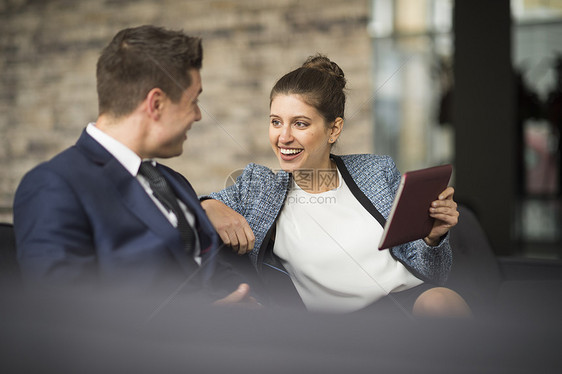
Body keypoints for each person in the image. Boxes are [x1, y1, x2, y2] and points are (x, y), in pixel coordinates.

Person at [201, 55, 469, 316]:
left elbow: (435, 273)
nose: (283, 137)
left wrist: (432, 239)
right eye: (275, 122)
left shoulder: (377, 171)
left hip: (405, 304)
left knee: (442, 302)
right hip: (336, 330)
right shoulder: (258, 186)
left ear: (334, 129)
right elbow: (186, 210)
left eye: (300, 124)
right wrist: (210, 206)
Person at [13, 25, 256, 306]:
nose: (199, 115)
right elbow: (64, 318)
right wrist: (202, 322)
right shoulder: (52, 186)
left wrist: (252, 305)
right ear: (156, 103)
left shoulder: (172, 181)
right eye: (194, 101)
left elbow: (210, 269)